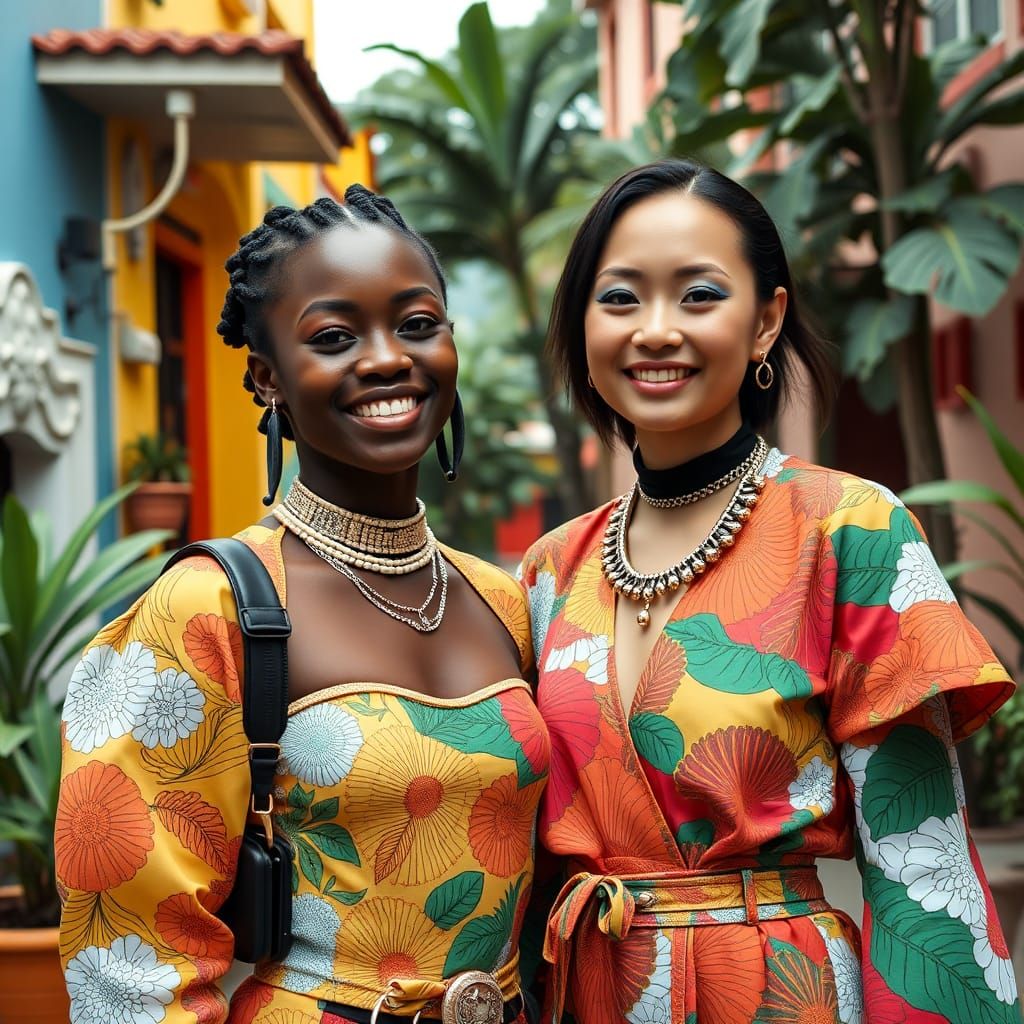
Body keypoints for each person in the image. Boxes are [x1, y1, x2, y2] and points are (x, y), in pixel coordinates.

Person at [518, 159, 1019, 1023]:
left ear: (766, 321)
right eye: (621, 297)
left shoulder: (849, 528)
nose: (656, 331)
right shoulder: (548, 569)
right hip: (588, 993)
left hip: (777, 997)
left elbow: (921, 867)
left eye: (700, 295)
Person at [55, 187, 548, 1024]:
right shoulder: (209, 606)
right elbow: (129, 960)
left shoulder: (502, 600)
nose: (388, 358)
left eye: (417, 324)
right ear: (267, 377)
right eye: (333, 337)